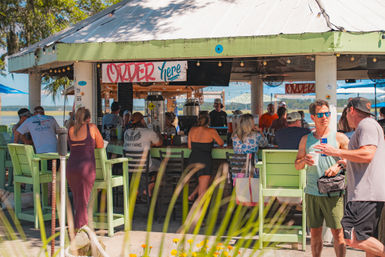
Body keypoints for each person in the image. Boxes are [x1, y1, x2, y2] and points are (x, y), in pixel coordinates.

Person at [314, 97, 385, 257]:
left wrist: (336, 151)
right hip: (371, 192)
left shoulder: (366, 125)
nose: (345, 117)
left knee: (352, 235)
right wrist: (346, 163)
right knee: (368, 239)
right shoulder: (371, 125)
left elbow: (368, 154)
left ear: (351, 110)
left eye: (346, 113)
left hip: (366, 193)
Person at [295, 99, 349, 257]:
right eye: (321, 114)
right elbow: (297, 165)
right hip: (312, 191)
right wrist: (304, 160)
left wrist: (339, 166)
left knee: (338, 234)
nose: (325, 117)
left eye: (327, 114)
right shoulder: (306, 139)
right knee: (315, 233)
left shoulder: (340, 138)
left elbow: (351, 161)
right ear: (313, 117)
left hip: (333, 192)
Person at [66, 107, 104, 230]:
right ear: (88, 118)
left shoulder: (70, 129)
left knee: (79, 199)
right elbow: (101, 145)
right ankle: (81, 229)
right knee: (83, 201)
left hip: (71, 167)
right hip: (86, 168)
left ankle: (79, 227)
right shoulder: (92, 128)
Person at [123, 112, 162, 197]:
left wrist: (148, 144)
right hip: (144, 166)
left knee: (138, 169)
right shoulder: (148, 132)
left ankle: (136, 189)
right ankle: (148, 188)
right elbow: (159, 143)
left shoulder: (126, 132)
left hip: (129, 166)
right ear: (142, 121)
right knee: (161, 165)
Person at [187, 111, 224, 201]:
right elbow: (221, 143)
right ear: (208, 121)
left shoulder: (192, 130)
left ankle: (192, 195)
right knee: (202, 193)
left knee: (206, 180)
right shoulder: (211, 131)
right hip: (204, 161)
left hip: (192, 160)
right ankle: (199, 213)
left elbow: (189, 147)